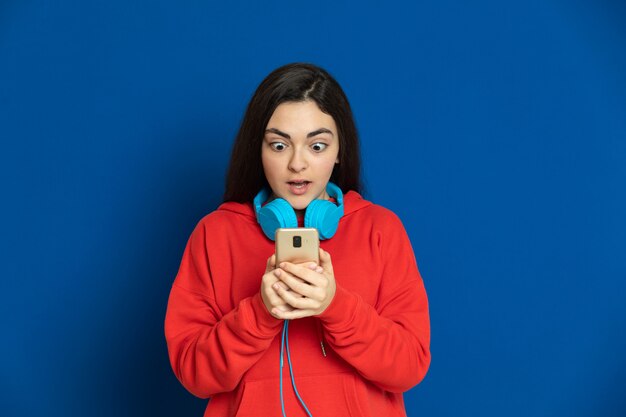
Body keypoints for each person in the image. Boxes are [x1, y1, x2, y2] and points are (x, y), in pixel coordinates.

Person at [164, 63, 431, 417]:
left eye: (317, 146)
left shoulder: (381, 229)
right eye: (279, 145)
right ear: (258, 151)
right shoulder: (215, 234)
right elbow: (194, 373)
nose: (297, 164)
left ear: (339, 152)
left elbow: (410, 365)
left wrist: (335, 306)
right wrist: (260, 311)